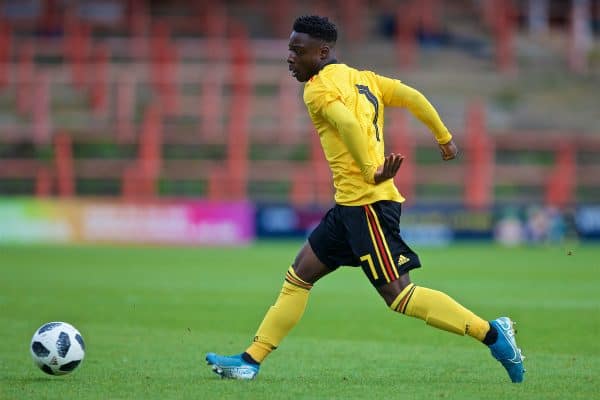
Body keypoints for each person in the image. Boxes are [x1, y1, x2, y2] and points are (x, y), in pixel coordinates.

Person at [206, 15, 525, 383]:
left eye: (298, 51)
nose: (290, 58)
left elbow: (347, 124)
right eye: (289, 50)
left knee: (399, 297)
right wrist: (443, 137)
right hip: (350, 206)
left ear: (322, 52)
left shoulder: (317, 88)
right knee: (299, 276)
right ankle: (251, 360)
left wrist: (370, 169)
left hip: (368, 205)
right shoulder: (365, 79)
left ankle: (493, 333)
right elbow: (411, 96)